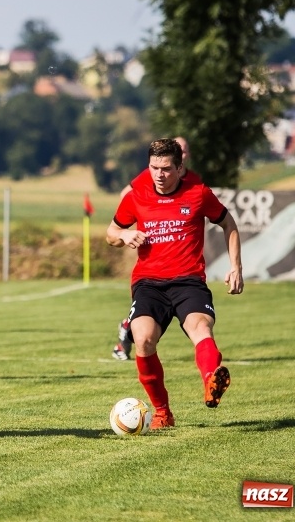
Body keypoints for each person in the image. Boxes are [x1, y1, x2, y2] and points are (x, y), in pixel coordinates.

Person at [106, 137, 243, 430]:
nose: (159, 174)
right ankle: (162, 412)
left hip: (189, 282)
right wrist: (125, 235)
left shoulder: (198, 193)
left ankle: (212, 380)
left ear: (180, 168)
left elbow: (228, 224)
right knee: (142, 339)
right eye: (154, 167)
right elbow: (111, 232)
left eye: (166, 168)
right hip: (149, 284)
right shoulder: (136, 196)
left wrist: (236, 267)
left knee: (201, 327)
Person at [112, 136, 201, 360]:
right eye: (180, 149)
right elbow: (127, 195)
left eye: (185, 150)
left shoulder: (194, 181)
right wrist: (130, 228)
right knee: (145, 317)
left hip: (182, 265)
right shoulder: (152, 175)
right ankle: (127, 332)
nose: (183, 153)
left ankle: (129, 328)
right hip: (151, 257)